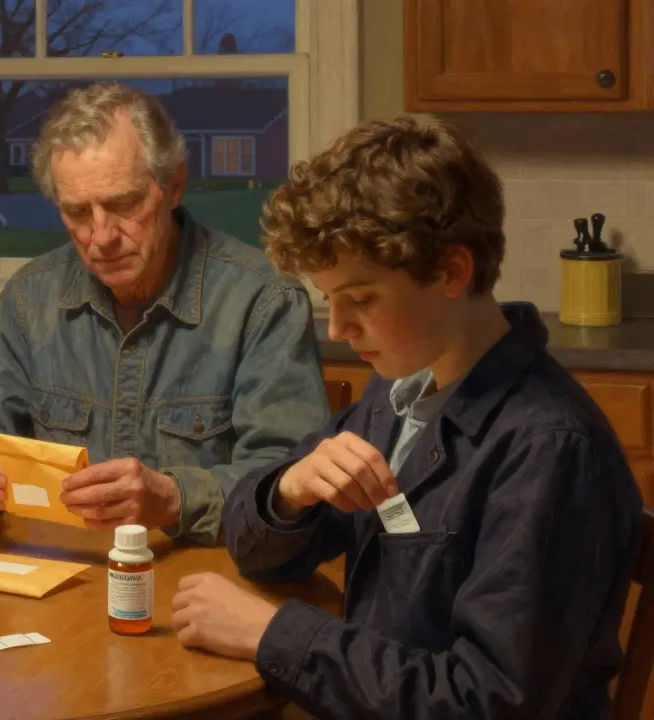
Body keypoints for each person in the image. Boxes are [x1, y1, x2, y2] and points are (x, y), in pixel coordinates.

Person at [171, 116, 642, 718]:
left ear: (451, 271)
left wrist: (273, 636)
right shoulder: (401, 393)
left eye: (361, 300)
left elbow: (489, 702)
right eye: (330, 300)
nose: (338, 330)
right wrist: (289, 492)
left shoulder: (546, 449)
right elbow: (256, 549)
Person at [0, 81, 329, 545]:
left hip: (201, 584)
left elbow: (290, 483)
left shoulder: (262, 302)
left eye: (124, 204)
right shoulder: (32, 298)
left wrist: (173, 497)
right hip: (65, 580)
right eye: (76, 212)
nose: (101, 236)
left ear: (174, 184)